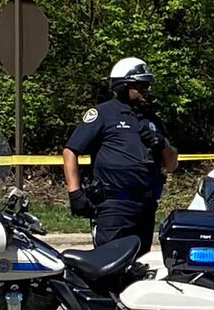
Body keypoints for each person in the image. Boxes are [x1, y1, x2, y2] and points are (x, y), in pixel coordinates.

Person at [62, 57, 178, 255]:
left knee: (138, 261)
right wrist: (75, 193)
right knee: (109, 261)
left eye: (147, 85)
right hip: (113, 206)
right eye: (140, 85)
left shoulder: (152, 119)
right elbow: (70, 151)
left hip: (145, 206)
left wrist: (162, 144)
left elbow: (172, 165)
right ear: (123, 85)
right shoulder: (103, 114)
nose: (146, 90)